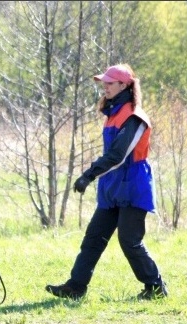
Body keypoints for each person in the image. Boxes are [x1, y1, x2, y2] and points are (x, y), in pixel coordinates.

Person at [45, 64, 167, 300]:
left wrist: (88, 175)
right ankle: (75, 287)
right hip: (112, 186)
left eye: (110, 83)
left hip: (133, 185)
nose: (105, 87)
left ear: (124, 85)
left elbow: (118, 156)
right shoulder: (113, 113)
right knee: (93, 238)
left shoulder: (134, 117)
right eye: (104, 83)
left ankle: (156, 286)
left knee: (129, 241)